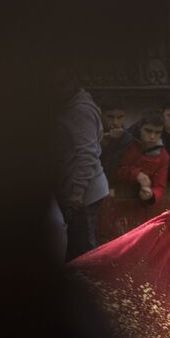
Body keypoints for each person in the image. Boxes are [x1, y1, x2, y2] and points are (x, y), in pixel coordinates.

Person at [53, 70, 109, 261]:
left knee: (83, 253)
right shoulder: (69, 106)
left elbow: (87, 154)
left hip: (84, 192)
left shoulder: (80, 110)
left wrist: (77, 191)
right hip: (76, 188)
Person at [116, 110, 170, 204]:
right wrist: (136, 174)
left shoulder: (163, 155)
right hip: (115, 194)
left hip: (139, 202)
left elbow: (160, 186)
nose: (152, 136)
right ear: (140, 128)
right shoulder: (124, 143)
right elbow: (112, 169)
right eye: (148, 131)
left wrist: (151, 194)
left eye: (157, 132)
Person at [99, 96, 134, 180]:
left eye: (120, 117)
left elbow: (113, 170)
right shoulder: (91, 134)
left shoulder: (127, 138)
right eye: (110, 117)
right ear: (101, 115)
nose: (115, 122)